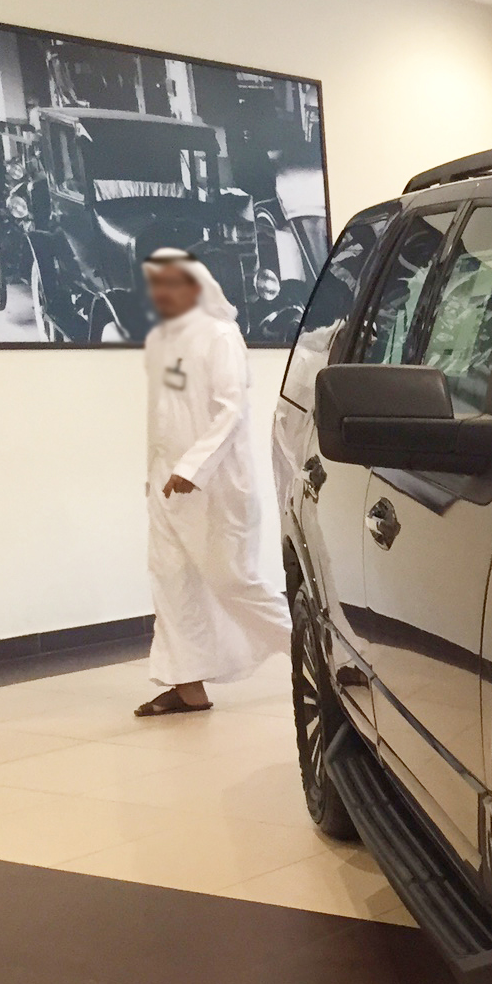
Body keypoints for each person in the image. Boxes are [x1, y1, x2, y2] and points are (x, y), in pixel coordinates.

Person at [135, 248, 289, 716]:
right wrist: (155, 472)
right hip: (167, 484)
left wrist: (192, 467)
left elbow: (230, 411)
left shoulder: (220, 336)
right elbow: (164, 413)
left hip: (215, 485)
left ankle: (328, 656)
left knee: (232, 581)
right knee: (171, 579)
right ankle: (187, 686)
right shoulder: (161, 340)